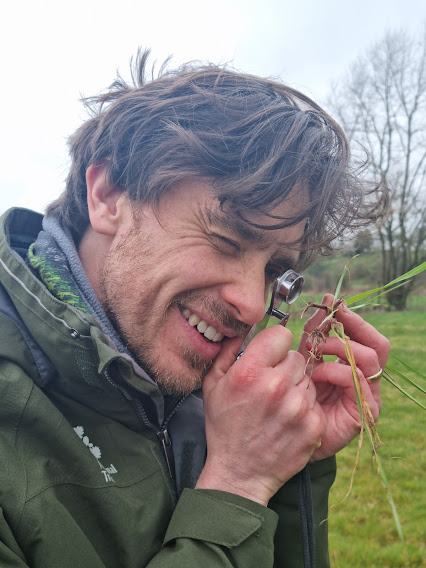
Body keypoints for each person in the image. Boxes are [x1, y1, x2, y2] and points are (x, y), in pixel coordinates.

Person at [0, 50, 389, 568]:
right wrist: (239, 485)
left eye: (276, 270)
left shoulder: (213, 393)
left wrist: (289, 461)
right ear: (109, 195)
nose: (253, 305)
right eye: (226, 238)